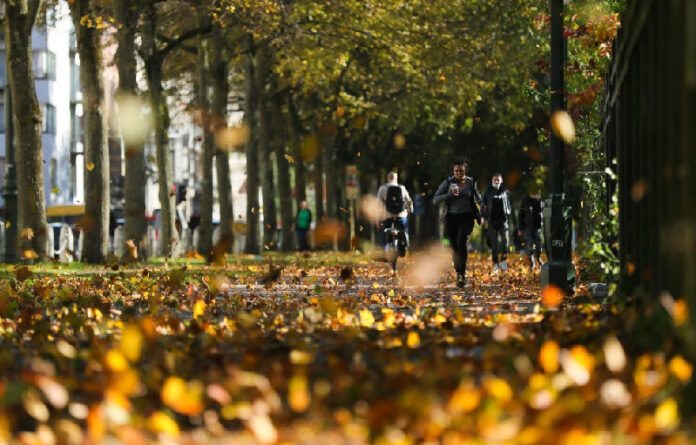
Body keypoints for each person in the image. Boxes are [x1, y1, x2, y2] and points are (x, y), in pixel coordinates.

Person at [433, 158, 483, 288]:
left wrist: (483, 205)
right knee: (454, 246)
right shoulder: (448, 182)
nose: (459, 173)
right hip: (451, 218)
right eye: (456, 171)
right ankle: (457, 269)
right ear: (453, 171)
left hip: (467, 217)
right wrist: (448, 195)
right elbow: (435, 200)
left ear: (465, 170)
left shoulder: (471, 182)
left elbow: (477, 196)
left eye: (461, 171)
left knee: (461, 241)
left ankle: (461, 273)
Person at [481, 173, 513, 274]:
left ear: (501, 180)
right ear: (492, 180)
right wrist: (482, 216)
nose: (496, 181)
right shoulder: (487, 191)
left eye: (498, 180)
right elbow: (483, 204)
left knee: (505, 242)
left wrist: (509, 212)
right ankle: (495, 263)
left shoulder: (505, 192)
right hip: (492, 221)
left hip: (503, 221)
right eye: (495, 179)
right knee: (494, 244)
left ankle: (503, 261)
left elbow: (509, 204)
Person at [377, 172, 413, 249]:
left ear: (388, 178)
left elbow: (379, 204)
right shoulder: (402, 188)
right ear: (396, 179)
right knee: (404, 228)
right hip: (401, 215)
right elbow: (409, 200)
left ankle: (385, 248)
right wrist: (410, 209)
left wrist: (378, 219)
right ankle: (405, 243)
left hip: (387, 216)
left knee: (385, 232)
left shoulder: (382, 188)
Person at [518, 187, 544, 270]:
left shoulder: (540, 201)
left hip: (537, 227)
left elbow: (543, 214)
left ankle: (538, 258)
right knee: (528, 245)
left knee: (538, 244)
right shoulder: (525, 201)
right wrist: (520, 228)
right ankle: (531, 262)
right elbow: (520, 215)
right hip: (527, 227)